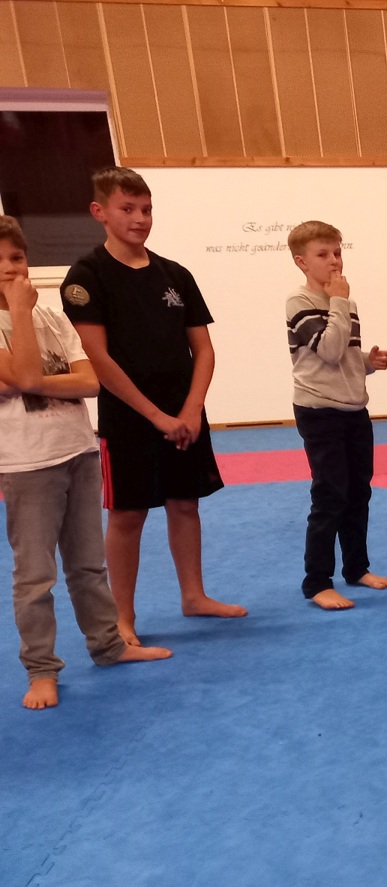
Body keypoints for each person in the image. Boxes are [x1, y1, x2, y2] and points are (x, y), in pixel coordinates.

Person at [60, 166, 245, 646]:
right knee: (128, 514)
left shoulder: (175, 275)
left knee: (185, 504)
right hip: (129, 416)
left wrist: (192, 409)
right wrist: (156, 416)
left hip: (184, 412)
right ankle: (122, 616)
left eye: (146, 209)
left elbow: (203, 350)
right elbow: (98, 358)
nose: (139, 218)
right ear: (99, 212)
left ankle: (194, 595)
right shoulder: (86, 276)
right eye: (127, 209)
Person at [0, 217, 171, 708]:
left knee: (88, 566)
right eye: (0, 262)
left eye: (17, 257)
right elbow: (26, 371)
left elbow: (89, 382)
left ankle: (107, 645)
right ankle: (41, 669)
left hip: (78, 450)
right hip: (27, 463)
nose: (11, 269)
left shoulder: (53, 318)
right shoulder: (21, 314)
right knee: (35, 576)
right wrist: (18, 311)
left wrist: (30, 380)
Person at [285, 220, 387, 610]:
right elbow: (328, 351)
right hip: (319, 412)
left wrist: (367, 362)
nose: (334, 261)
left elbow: (342, 356)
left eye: (337, 252)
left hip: (353, 409)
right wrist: (339, 303)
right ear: (302, 262)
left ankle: (356, 568)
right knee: (330, 494)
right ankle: (317, 582)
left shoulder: (345, 304)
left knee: (358, 492)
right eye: (323, 254)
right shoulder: (299, 302)